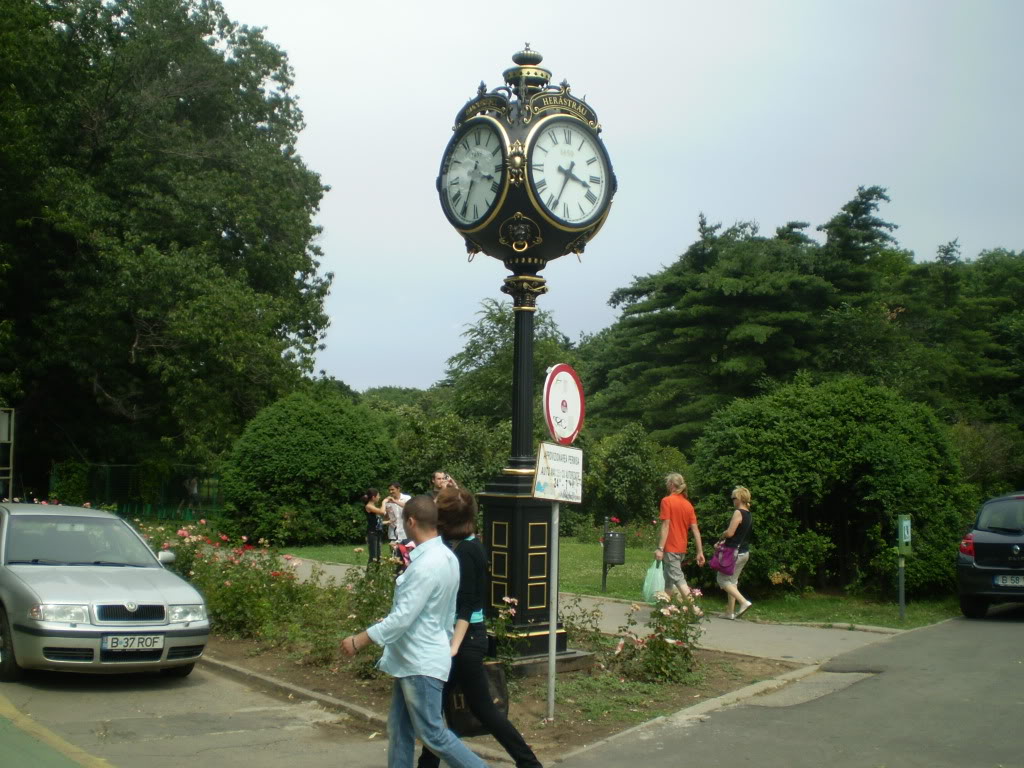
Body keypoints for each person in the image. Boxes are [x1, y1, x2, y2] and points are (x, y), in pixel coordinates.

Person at [341, 496, 489, 768]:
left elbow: (402, 618)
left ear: (410, 522)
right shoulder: (446, 556)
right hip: (415, 658)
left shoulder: (426, 564)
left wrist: (359, 640)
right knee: (399, 729)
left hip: (420, 660)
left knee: (432, 733)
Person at [418, 488, 542, 768]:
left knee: (480, 709)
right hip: (459, 639)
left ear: (447, 522)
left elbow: (468, 604)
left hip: (465, 640)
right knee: (439, 711)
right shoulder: (459, 544)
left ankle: (529, 763)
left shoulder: (468, 551)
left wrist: (452, 648)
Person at [654, 473, 705, 614]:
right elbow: (695, 530)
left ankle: (694, 609)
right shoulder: (688, 505)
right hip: (681, 548)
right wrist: (700, 552)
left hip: (670, 547)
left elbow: (666, 526)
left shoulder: (667, 501)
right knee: (669, 579)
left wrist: (660, 548)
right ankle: (664, 609)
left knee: (677, 577)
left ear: (671, 485)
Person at [715, 485, 754, 620]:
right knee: (732, 582)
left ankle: (743, 602)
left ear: (739, 499)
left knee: (721, 579)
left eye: (733, 498)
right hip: (744, 552)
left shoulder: (738, 513)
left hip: (733, 553)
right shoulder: (749, 514)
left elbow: (731, 533)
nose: (732, 500)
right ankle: (730, 612)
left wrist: (723, 534)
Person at [362, 488, 387, 564]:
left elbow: (377, 522)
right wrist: (384, 502)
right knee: (373, 557)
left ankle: (376, 574)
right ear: (373, 497)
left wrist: (389, 522)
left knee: (379, 557)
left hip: (377, 533)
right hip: (372, 534)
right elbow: (382, 512)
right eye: (378, 496)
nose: (379, 497)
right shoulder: (369, 506)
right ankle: (370, 575)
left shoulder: (374, 508)